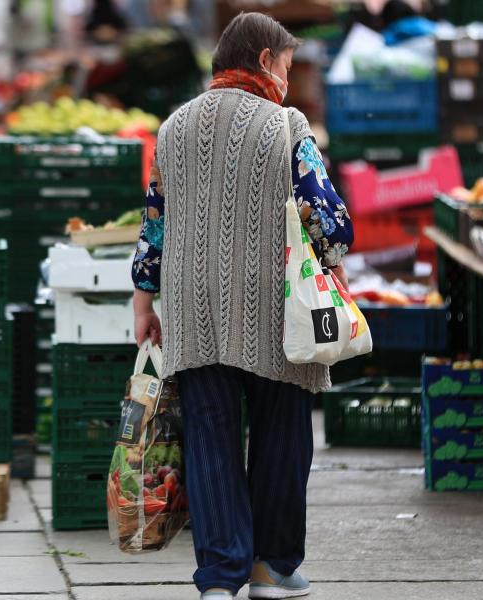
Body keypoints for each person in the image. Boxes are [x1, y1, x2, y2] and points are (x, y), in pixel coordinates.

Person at [131, 12, 355, 600]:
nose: (287, 78)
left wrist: (142, 301)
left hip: (191, 308)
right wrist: (334, 258)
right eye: (285, 65)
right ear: (263, 61)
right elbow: (326, 218)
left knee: (210, 439)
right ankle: (271, 566)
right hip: (273, 311)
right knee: (283, 432)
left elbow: (154, 223)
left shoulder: (173, 127)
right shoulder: (286, 124)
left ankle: (219, 580)